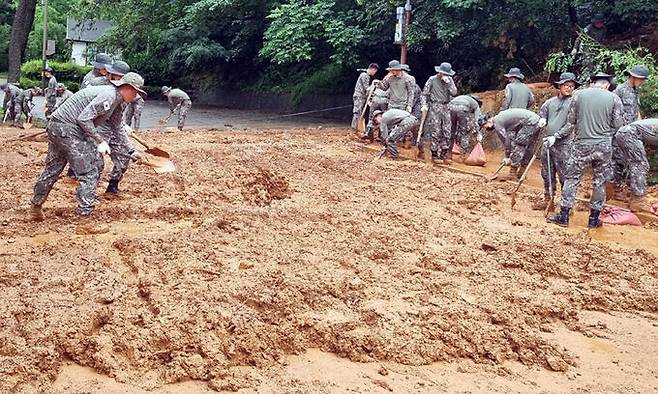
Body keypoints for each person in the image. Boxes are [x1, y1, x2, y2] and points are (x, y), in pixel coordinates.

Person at [30, 72, 147, 221]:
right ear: (127, 87)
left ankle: (35, 206)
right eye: (136, 92)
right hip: (67, 129)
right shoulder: (109, 96)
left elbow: (117, 127)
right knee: (90, 171)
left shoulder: (117, 101)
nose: (136, 96)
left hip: (58, 126)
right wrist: (100, 141)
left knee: (52, 169)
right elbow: (83, 119)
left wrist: (131, 150)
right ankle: (85, 217)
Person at [546, 72, 624, 228]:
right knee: (599, 182)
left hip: (582, 144)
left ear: (591, 83)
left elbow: (571, 121)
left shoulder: (578, 96)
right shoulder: (614, 98)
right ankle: (594, 219)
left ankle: (564, 216)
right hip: (604, 146)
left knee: (572, 179)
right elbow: (618, 125)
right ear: (607, 85)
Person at [532, 72, 579, 210]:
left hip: (564, 144)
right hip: (547, 142)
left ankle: (566, 206)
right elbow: (542, 115)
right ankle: (548, 200)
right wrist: (541, 120)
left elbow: (571, 124)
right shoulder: (549, 103)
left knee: (565, 175)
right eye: (566, 85)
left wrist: (557, 136)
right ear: (559, 86)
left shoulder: (574, 103)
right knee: (547, 173)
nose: (569, 88)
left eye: (571, 86)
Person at [610, 65, 650, 195]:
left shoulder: (635, 91)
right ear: (634, 77)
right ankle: (612, 189)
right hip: (619, 132)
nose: (642, 82)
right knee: (617, 161)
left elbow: (636, 111)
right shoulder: (620, 90)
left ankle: (621, 188)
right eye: (641, 79)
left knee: (629, 160)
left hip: (632, 133)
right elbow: (611, 110)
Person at [483, 108, 542, 181]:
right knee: (529, 145)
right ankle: (521, 173)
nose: (486, 128)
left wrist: (507, 157)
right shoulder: (502, 118)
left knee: (519, 144)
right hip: (536, 121)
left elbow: (506, 140)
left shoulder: (497, 122)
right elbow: (510, 137)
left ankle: (512, 174)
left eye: (485, 125)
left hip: (529, 122)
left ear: (489, 121)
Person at [613, 118, 658, 212]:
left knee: (635, 164)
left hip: (624, 133)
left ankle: (636, 194)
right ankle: (638, 200)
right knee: (640, 165)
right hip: (629, 135)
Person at [421, 62, 458, 163]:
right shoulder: (432, 79)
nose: (445, 75)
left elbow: (454, 93)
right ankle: (434, 153)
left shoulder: (449, 80)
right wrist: (424, 105)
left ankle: (444, 154)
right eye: (444, 73)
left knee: (447, 130)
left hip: (446, 106)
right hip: (435, 106)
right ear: (440, 72)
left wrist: (449, 83)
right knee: (436, 130)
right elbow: (424, 94)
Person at [448, 94, 483, 160]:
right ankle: (462, 156)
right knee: (464, 133)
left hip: (451, 107)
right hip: (462, 109)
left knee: (451, 130)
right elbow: (476, 120)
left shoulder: (463, 97)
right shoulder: (476, 105)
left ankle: (448, 153)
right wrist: (478, 133)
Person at [351, 63, 379, 129]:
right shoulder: (365, 75)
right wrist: (373, 84)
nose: (374, 73)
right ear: (373, 69)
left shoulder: (365, 75)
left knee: (359, 112)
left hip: (361, 97)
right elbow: (367, 89)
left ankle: (356, 128)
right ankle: (354, 128)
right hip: (359, 96)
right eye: (375, 71)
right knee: (357, 112)